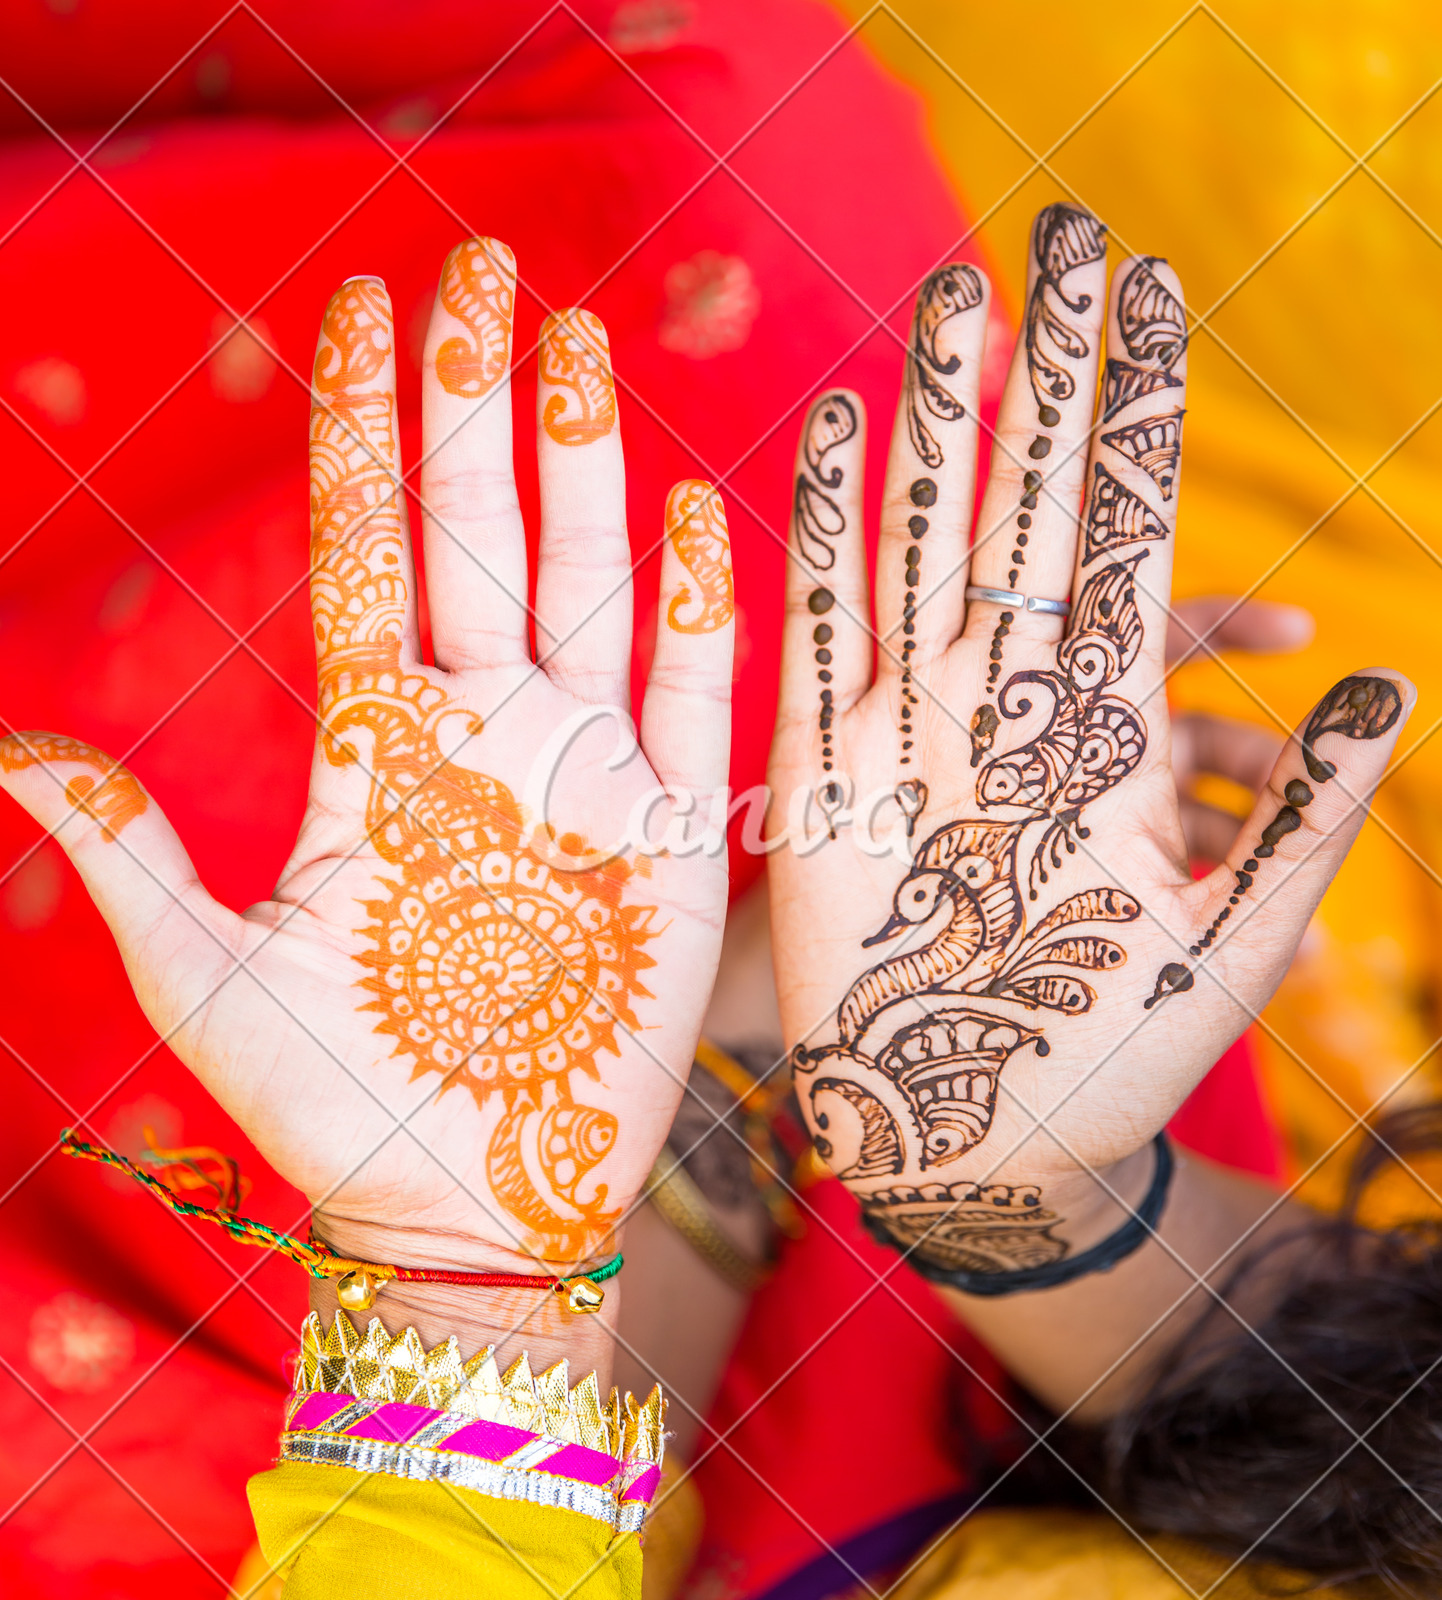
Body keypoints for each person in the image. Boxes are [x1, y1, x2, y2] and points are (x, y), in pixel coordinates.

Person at [0, 209, 1421, 1600]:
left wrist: (470, 1285)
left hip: (506, 1443)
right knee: (749, 225)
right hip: (994, 1275)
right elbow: (1364, 1417)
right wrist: (1013, 1186)